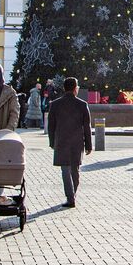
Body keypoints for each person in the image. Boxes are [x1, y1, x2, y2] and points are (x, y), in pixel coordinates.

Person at [47, 77, 92, 207]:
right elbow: (87, 126)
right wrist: (88, 145)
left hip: (61, 141)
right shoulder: (82, 104)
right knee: (75, 170)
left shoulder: (55, 104)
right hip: (77, 142)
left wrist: (52, 142)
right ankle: (73, 195)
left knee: (65, 171)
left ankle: (70, 197)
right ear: (75, 89)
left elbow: (51, 126)